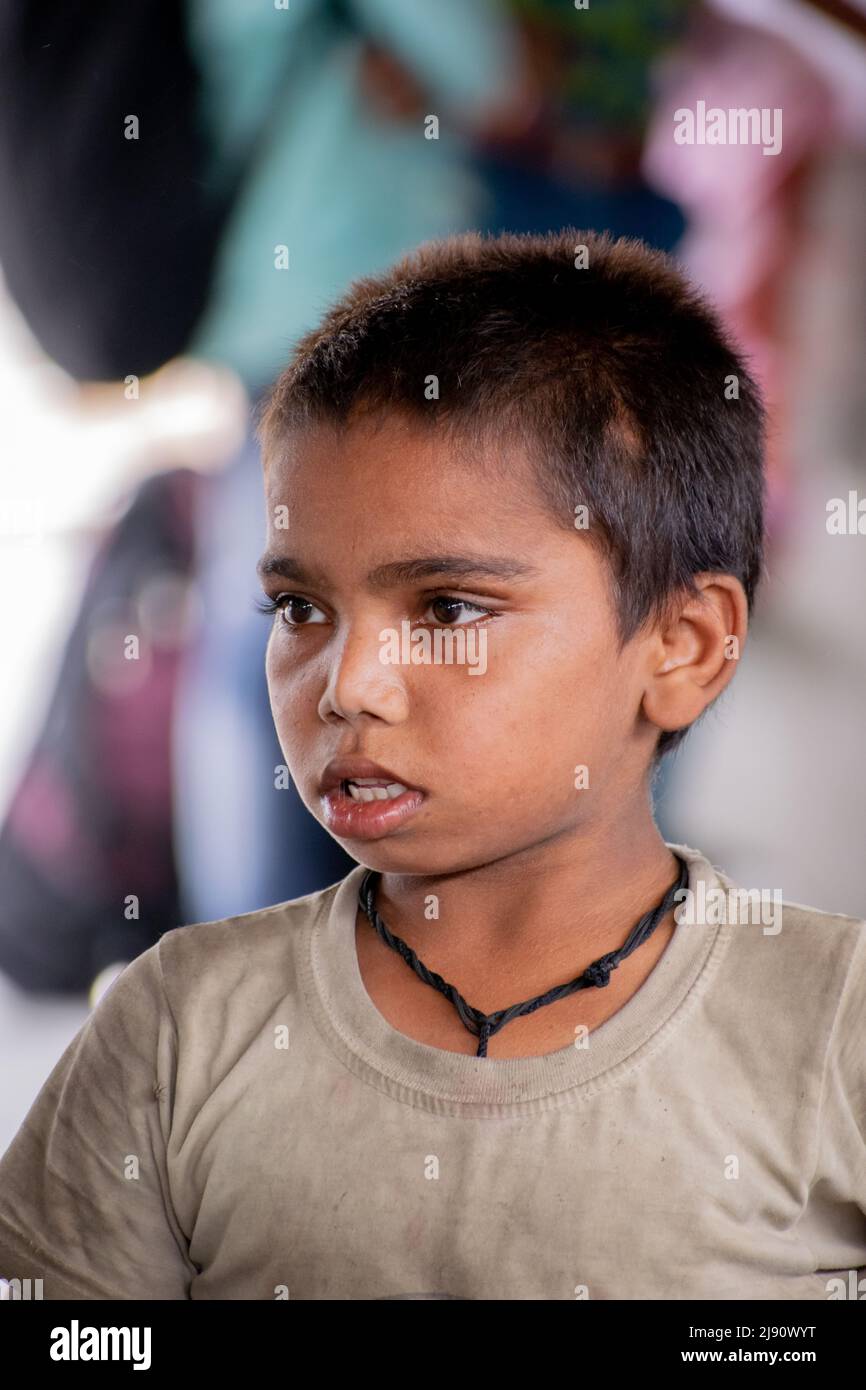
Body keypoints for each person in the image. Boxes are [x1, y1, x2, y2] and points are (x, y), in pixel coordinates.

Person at [0, 229, 863, 1300]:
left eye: (448, 607)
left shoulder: (832, 1025)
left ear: (679, 648)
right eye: (299, 609)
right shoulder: (181, 1022)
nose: (347, 684)